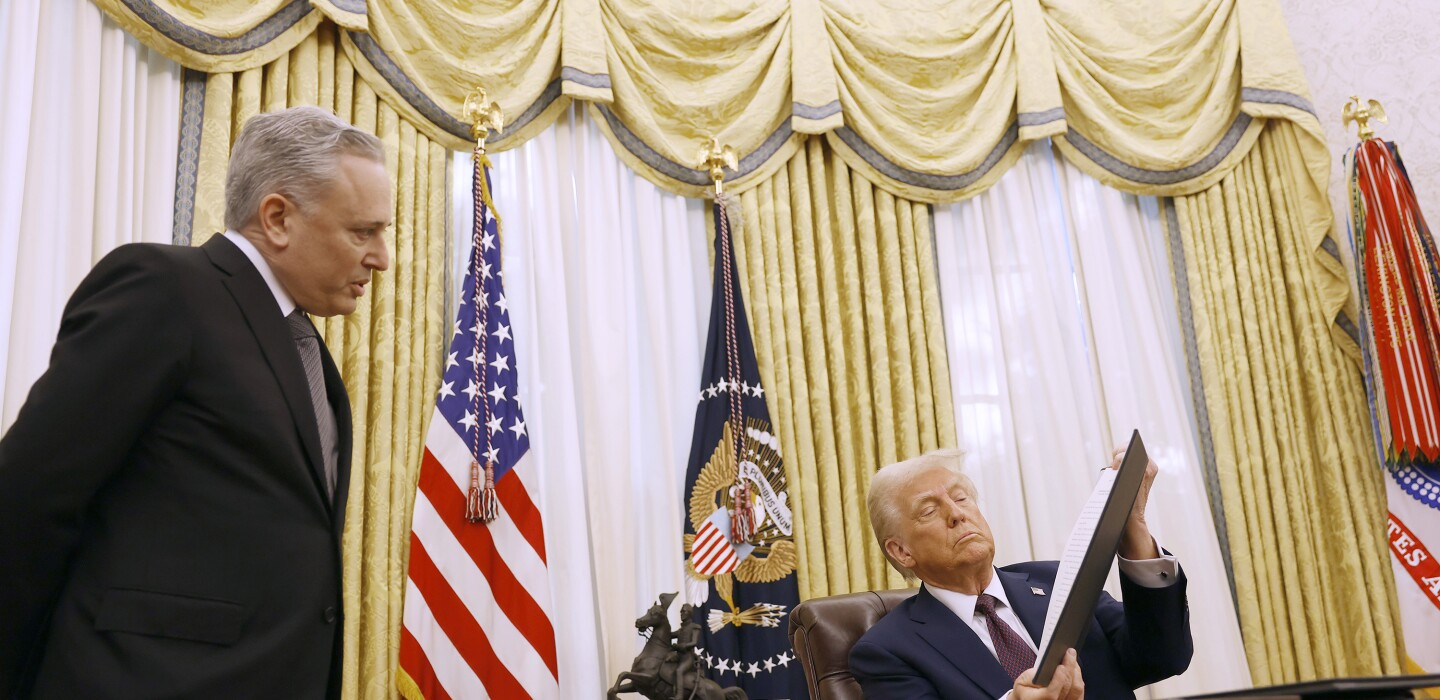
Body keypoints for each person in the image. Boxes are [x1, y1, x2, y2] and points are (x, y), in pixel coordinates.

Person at [0, 106, 392, 699]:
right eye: (363, 231)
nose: (382, 257)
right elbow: (31, 494)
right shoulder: (164, 288)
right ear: (278, 218)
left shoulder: (303, 341)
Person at [849, 449, 1193, 699]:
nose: (956, 514)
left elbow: (1164, 658)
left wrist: (1134, 529)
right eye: (928, 510)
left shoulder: (1057, 580)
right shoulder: (887, 651)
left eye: (962, 498)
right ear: (901, 551)